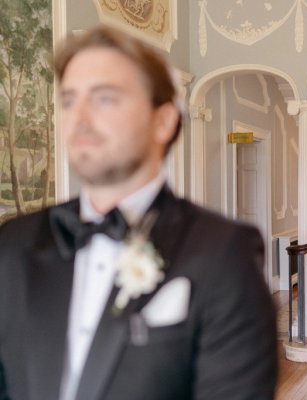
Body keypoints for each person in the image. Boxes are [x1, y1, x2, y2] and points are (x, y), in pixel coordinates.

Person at [0, 26, 277, 400]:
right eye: (68, 100)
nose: (79, 117)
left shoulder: (224, 254)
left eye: (105, 98)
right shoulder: (13, 243)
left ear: (162, 121)